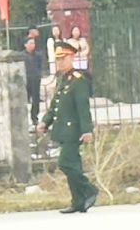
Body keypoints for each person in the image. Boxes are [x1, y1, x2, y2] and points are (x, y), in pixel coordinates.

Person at [40, 38, 99, 214]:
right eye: (57, 59)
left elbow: (83, 107)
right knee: (73, 166)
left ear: (71, 58)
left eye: (62, 59)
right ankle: (78, 201)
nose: (59, 62)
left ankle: (89, 190)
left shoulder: (78, 80)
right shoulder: (64, 79)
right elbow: (55, 105)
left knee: (65, 163)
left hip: (74, 131)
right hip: (63, 130)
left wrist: (87, 130)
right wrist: (45, 121)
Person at [23, 27, 46, 114]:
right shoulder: (22, 56)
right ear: (25, 45)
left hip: (35, 78)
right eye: (30, 43)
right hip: (26, 79)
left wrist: (39, 74)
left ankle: (35, 116)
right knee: (24, 98)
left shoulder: (38, 55)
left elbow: (40, 66)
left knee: (36, 99)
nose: (32, 45)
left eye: (33, 43)